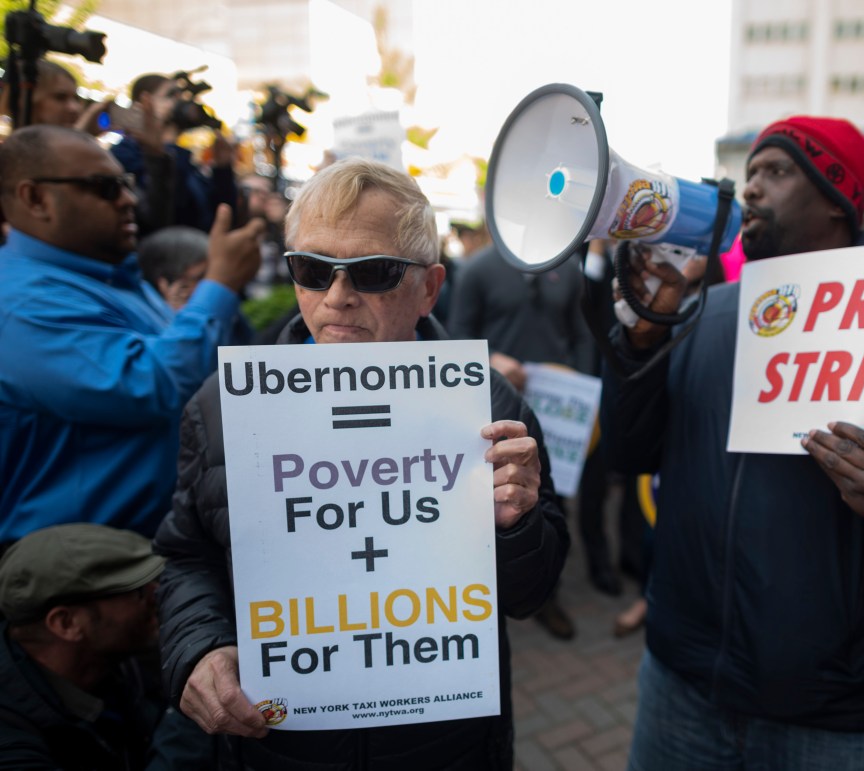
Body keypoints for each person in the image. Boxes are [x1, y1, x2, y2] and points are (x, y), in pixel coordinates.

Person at [602, 115, 864, 770]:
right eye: (749, 174)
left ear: (838, 196)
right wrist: (639, 346)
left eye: (775, 171)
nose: (751, 189)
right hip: (681, 685)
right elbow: (631, 456)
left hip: (832, 713)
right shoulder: (705, 314)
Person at [153, 158, 569, 770]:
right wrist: (198, 648)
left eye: (373, 273)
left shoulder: (491, 407)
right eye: (312, 270)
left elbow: (531, 594)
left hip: (444, 745)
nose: (338, 297)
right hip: (284, 744)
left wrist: (518, 525)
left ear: (428, 288)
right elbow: (188, 555)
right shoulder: (221, 408)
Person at [0, 126, 264, 545]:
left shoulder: (110, 276)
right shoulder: (18, 303)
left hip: (151, 554)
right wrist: (218, 287)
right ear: (35, 198)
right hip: (85, 579)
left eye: (126, 183)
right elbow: (151, 385)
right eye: (106, 187)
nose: (130, 199)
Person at [448, 243, 595, 636]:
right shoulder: (477, 270)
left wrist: (580, 389)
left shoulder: (568, 269)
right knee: (500, 503)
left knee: (549, 501)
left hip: (558, 410)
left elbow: (581, 334)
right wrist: (490, 360)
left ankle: (548, 595)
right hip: (497, 413)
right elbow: (458, 333)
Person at [0, 523, 210, 769]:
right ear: (66, 623)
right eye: (139, 591)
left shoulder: (120, 662)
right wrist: (194, 706)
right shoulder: (10, 738)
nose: (159, 594)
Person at [111, 73, 238, 234]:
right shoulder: (125, 154)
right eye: (171, 95)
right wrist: (160, 152)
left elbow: (222, 217)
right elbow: (164, 214)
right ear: (142, 104)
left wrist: (223, 169)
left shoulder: (187, 161)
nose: (181, 103)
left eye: (182, 96)